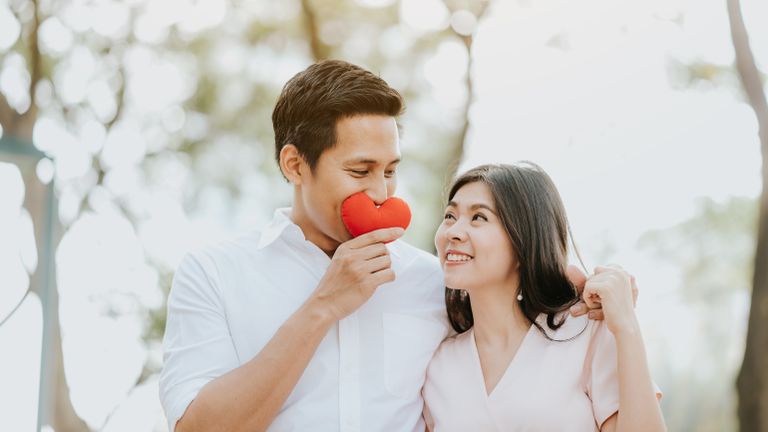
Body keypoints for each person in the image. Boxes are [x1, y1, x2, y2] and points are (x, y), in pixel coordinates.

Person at [158, 60, 614, 432]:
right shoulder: (214, 273)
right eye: (360, 172)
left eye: (390, 170)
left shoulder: (434, 279)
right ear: (295, 165)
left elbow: (523, 308)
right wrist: (321, 308)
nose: (381, 192)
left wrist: (591, 285)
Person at [422, 163, 665, 431]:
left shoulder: (584, 333)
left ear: (523, 239)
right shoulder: (438, 365)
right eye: (449, 216)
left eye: (478, 217)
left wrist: (626, 326)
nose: (452, 231)